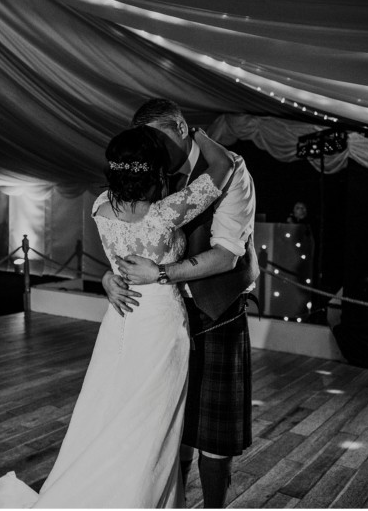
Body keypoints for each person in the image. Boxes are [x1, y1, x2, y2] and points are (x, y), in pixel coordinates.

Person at [0, 124, 234, 508]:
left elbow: (118, 258)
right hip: (159, 325)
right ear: (154, 172)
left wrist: (108, 277)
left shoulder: (100, 206)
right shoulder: (165, 214)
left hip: (119, 319)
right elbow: (225, 164)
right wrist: (197, 133)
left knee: (106, 413)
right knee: (150, 425)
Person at [106, 98, 259, 508]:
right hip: (161, 321)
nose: (152, 151)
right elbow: (122, 236)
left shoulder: (232, 171)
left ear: (179, 127)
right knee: (169, 425)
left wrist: (160, 274)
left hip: (217, 313)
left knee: (213, 435)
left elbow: (227, 254)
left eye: (157, 140)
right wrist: (110, 276)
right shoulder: (148, 172)